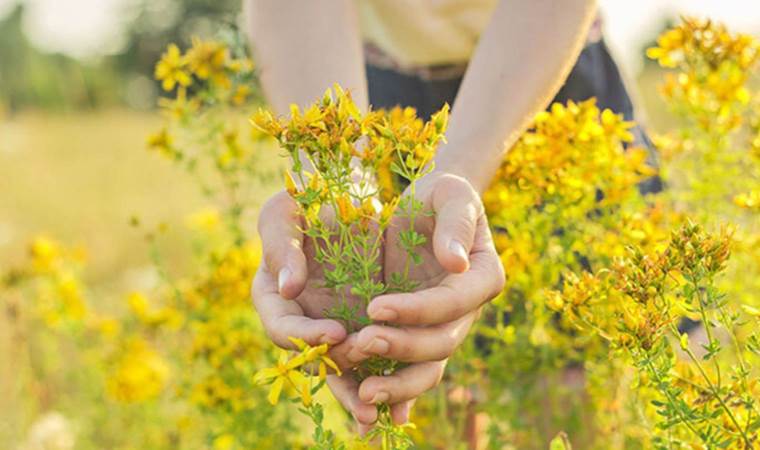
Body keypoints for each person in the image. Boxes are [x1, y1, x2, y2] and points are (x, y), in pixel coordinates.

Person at [246, 0, 651, 435]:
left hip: (544, 73)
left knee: (567, 395)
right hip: (368, 86)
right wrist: (334, 185)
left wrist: (458, 170)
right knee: (422, 403)